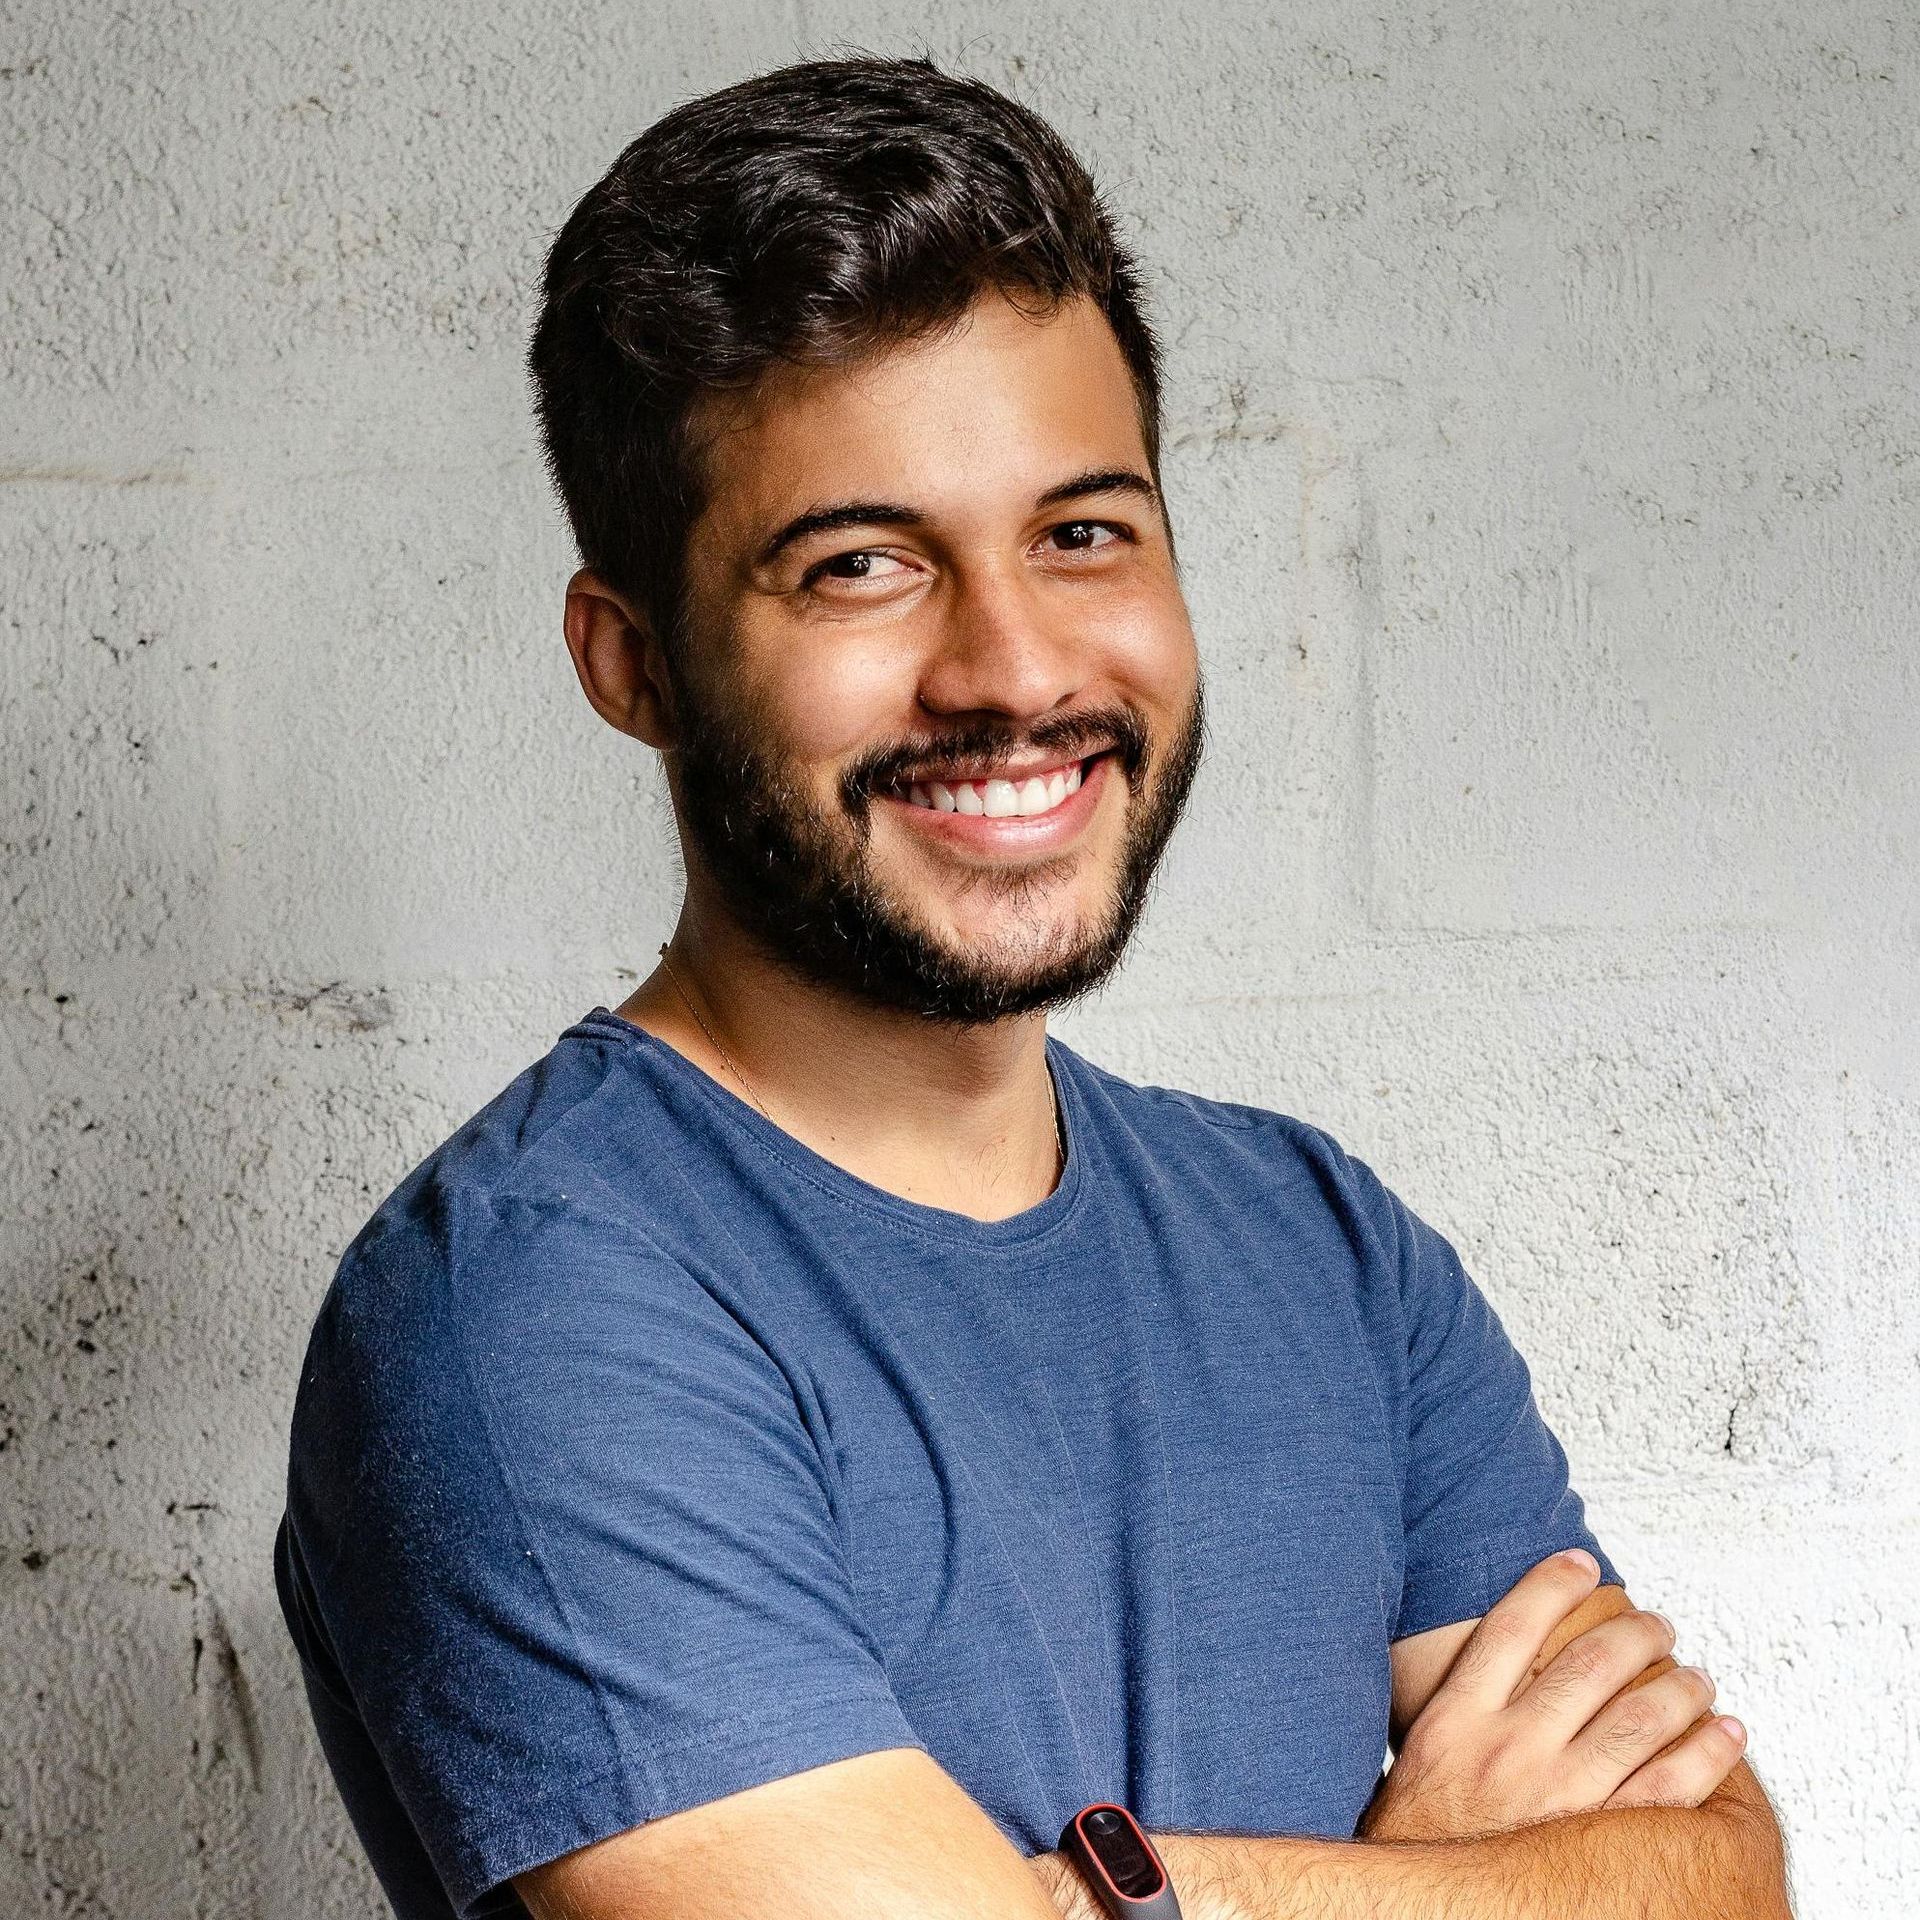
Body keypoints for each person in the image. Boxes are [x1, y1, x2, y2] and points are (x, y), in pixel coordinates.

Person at [273, 53, 1792, 1920]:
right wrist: (1435, 1885)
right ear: (634, 662)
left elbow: (1721, 1876)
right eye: (860, 565)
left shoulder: (1325, 1246)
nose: (1011, 667)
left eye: (1083, 533)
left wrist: (1099, 1902)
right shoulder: (526, 1304)